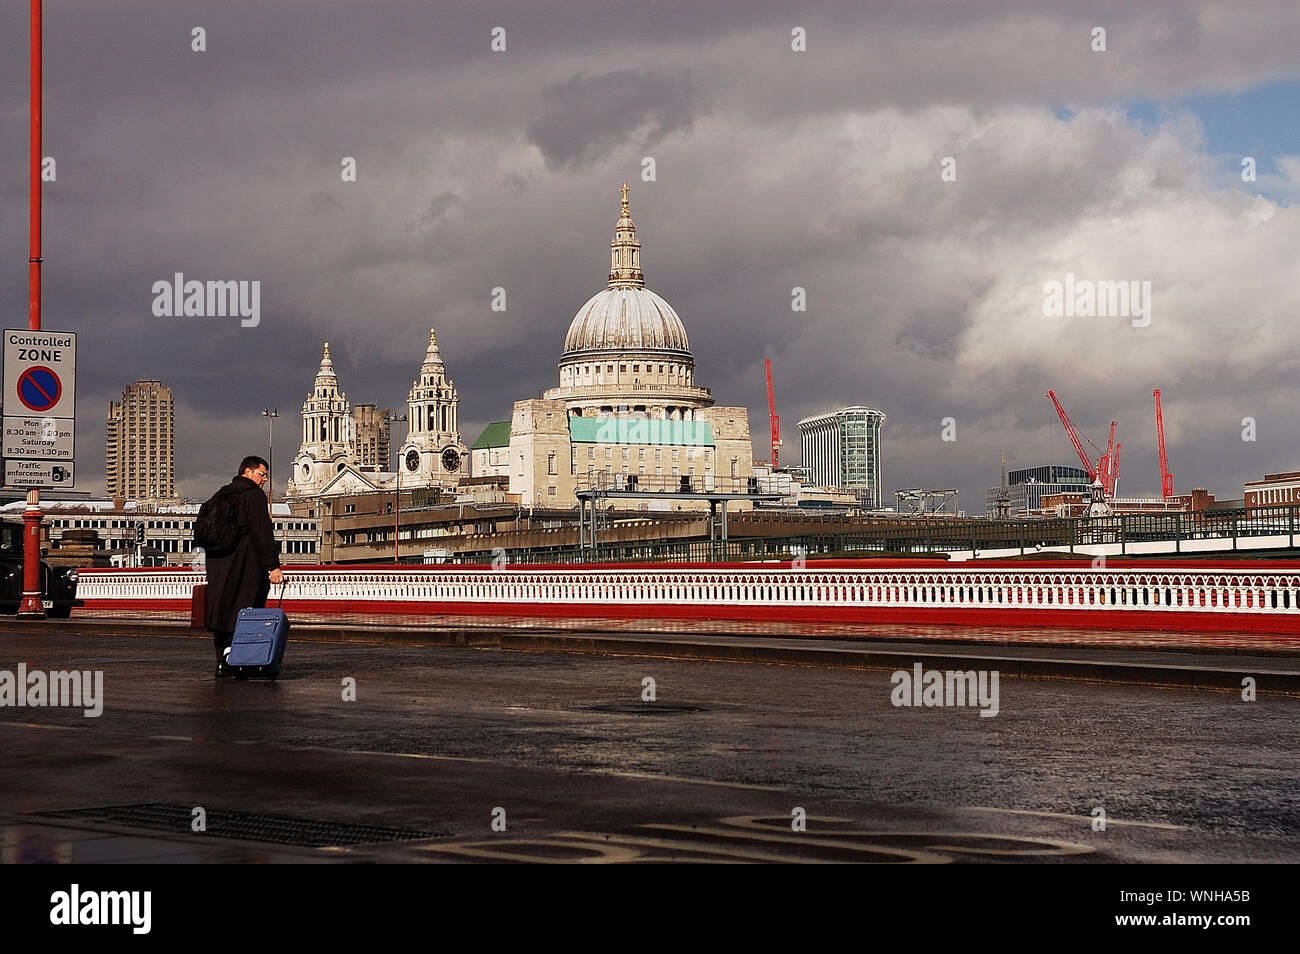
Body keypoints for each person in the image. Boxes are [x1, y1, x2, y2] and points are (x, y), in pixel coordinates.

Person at [204, 456, 284, 676]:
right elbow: (262, 532)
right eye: (262, 474)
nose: (264, 480)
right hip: (245, 564)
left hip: (218, 563)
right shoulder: (253, 496)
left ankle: (222, 662)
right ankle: (243, 660)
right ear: (247, 472)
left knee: (222, 612)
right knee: (247, 612)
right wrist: (273, 567)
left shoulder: (222, 493)